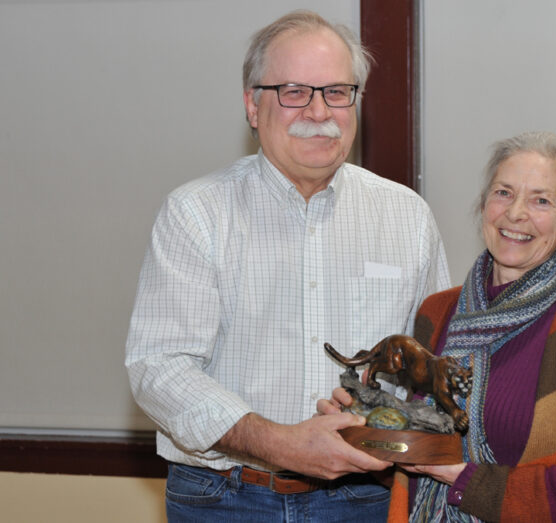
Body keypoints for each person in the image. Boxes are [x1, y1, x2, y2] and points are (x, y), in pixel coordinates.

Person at [125, 10, 450, 522]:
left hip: (368, 498)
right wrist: (279, 444)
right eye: (294, 91)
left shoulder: (407, 216)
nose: (319, 111)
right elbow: (159, 366)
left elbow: (434, 363)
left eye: (337, 92)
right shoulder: (196, 214)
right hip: (224, 499)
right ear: (253, 106)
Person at [320, 131, 556, 522]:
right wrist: (365, 422)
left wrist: (467, 483)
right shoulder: (437, 312)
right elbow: (414, 457)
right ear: (483, 206)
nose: (515, 213)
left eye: (541, 200)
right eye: (504, 193)